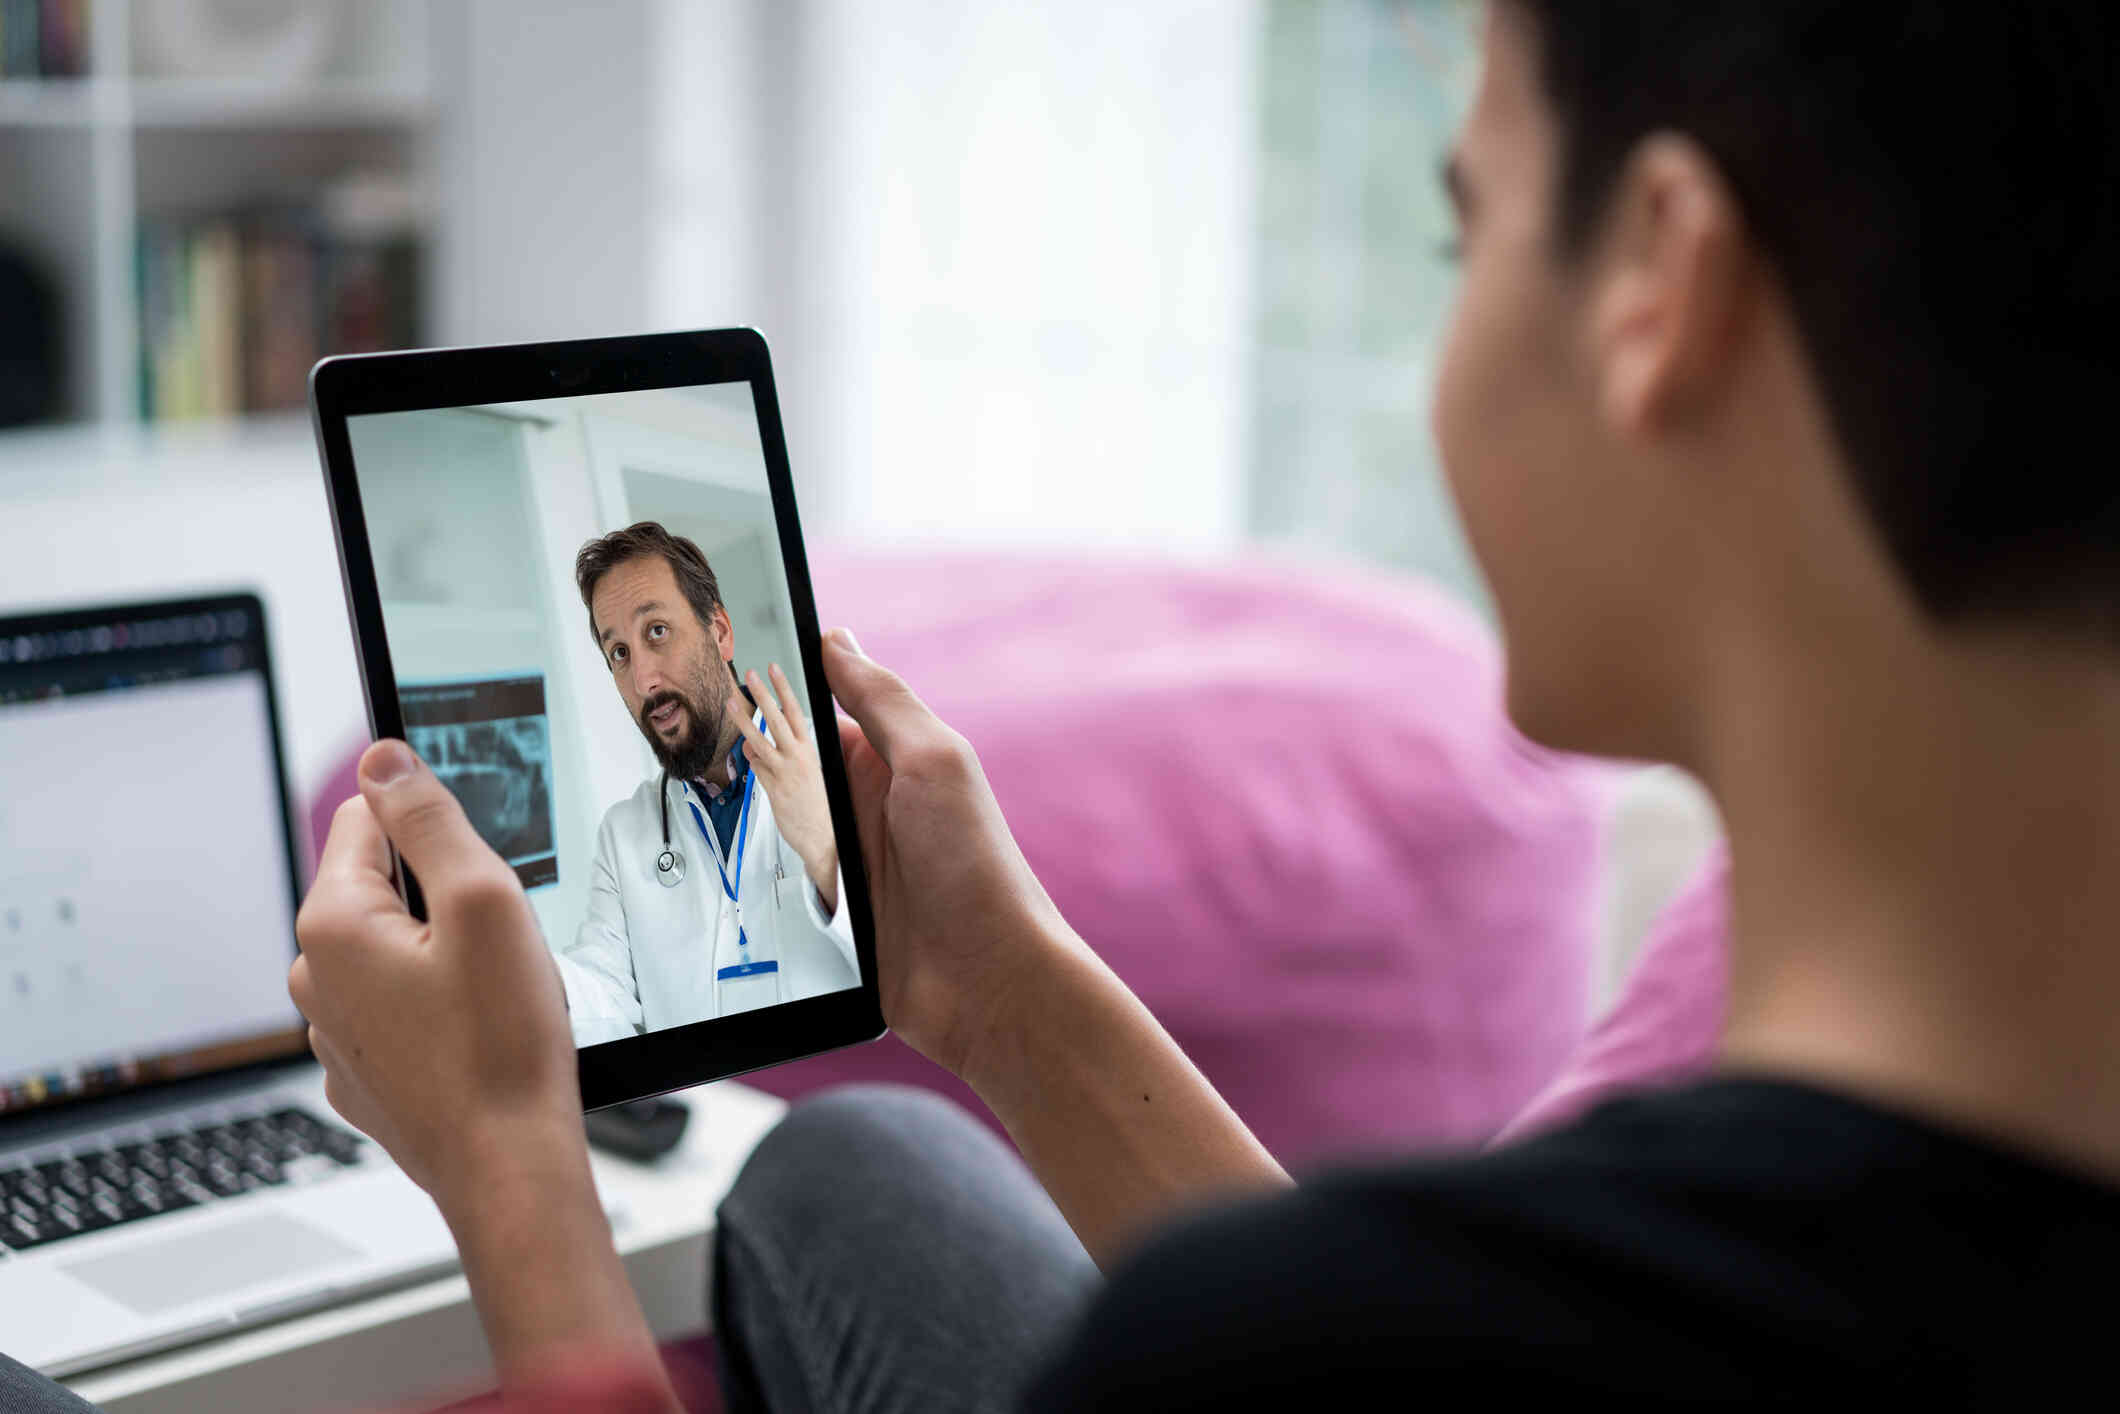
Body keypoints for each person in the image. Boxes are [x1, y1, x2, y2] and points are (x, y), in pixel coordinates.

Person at [0, 2, 2084, 1410]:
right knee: (855, 1165)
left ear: (1661, 285)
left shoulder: (1283, 1336)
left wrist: (512, 1179)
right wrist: (1001, 984)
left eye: (1460, 231)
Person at [556, 523, 858, 1040]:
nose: (643, 680)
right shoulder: (623, 833)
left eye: (656, 631)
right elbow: (601, 994)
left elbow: (909, 966)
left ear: (719, 632)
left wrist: (826, 852)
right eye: (620, 654)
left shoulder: (837, 764)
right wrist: (519, 967)